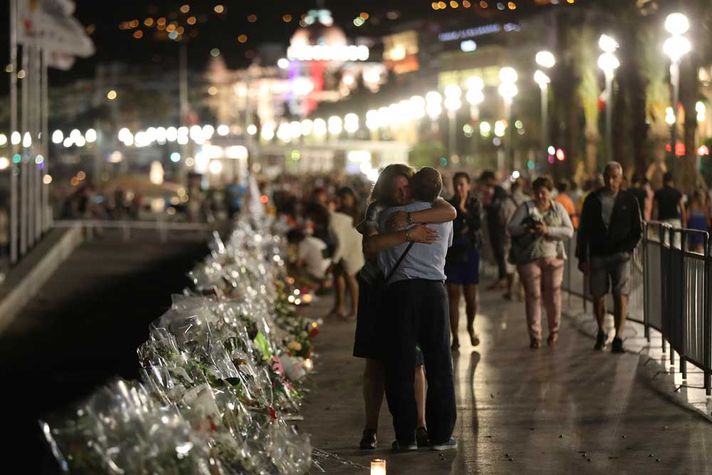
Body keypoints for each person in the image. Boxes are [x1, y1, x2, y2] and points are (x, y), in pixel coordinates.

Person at [354, 164, 456, 450]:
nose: (402, 192)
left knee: (400, 365)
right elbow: (447, 241)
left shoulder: (387, 216)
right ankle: (441, 435)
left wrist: (406, 224)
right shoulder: (442, 216)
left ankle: (406, 436)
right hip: (435, 291)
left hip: (400, 293)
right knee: (439, 364)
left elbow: (372, 245)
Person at [577, 162, 643, 353]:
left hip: (620, 256)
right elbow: (584, 230)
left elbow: (637, 230)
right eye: (607, 177)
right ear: (603, 177)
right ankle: (601, 330)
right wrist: (582, 256)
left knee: (620, 295)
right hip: (598, 255)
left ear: (621, 179)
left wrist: (628, 250)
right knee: (598, 296)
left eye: (615, 177)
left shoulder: (629, 200)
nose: (610, 181)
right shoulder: (592, 200)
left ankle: (619, 336)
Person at [507, 177, 574, 349]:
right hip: (529, 258)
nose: (540, 196)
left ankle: (554, 330)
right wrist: (526, 228)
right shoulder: (526, 208)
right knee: (533, 295)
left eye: (544, 192)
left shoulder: (558, 208)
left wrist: (548, 230)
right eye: (537, 193)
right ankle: (535, 334)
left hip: (553, 257)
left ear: (550, 192)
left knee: (553, 295)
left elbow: (569, 231)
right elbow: (511, 228)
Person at [444, 172, 483, 351]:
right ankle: (455, 336)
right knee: (453, 295)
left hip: (470, 253)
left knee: (471, 297)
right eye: (456, 184)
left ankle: (470, 327)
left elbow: (477, 225)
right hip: (453, 254)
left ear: (468, 185)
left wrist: (463, 210)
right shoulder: (447, 205)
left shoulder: (474, 204)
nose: (459, 188)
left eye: (462, 184)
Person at [500, 177, 530, 301]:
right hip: (524, 236)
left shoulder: (506, 202)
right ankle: (521, 291)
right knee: (522, 263)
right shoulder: (527, 201)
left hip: (509, 236)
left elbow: (501, 220)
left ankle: (510, 290)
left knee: (509, 264)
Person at [479, 171, 509, 290]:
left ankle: (504, 278)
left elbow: (497, 206)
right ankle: (502, 277)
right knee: (498, 253)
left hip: (499, 227)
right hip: (493, 226)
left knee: (500, 253)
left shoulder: (500, 192)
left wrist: (486, 205)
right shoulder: (492, 191)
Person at [653, 172, 686, 247]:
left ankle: (665, 258)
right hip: (675, 220)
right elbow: (682, 209)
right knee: (676, 244)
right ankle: (676, 258)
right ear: (672, 181)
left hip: (662, 220)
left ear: (663, 181)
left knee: (664, 244)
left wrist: (654, 222)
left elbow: (655, 209)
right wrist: (684, 222)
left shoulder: (658, 193)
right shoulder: (677, 193)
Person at [686, 189, 711, 253]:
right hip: (697, 229)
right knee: (696, 249)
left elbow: (687, 217)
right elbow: (687, 217)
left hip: (698, 229)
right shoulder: (693, 206)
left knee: (696, 249)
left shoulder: (704, 207)